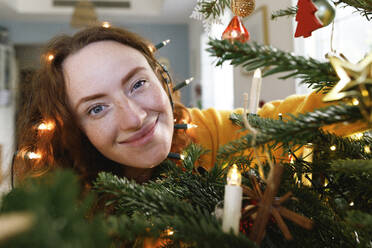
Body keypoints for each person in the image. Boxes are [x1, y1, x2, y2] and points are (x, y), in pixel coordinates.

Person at [13, 26, 366, 189]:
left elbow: (306, 113)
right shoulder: (64, 206)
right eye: (97, 109)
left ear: (162, 80)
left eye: (138, 84)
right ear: (76, 128)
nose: (135, 119)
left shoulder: (210, 133)